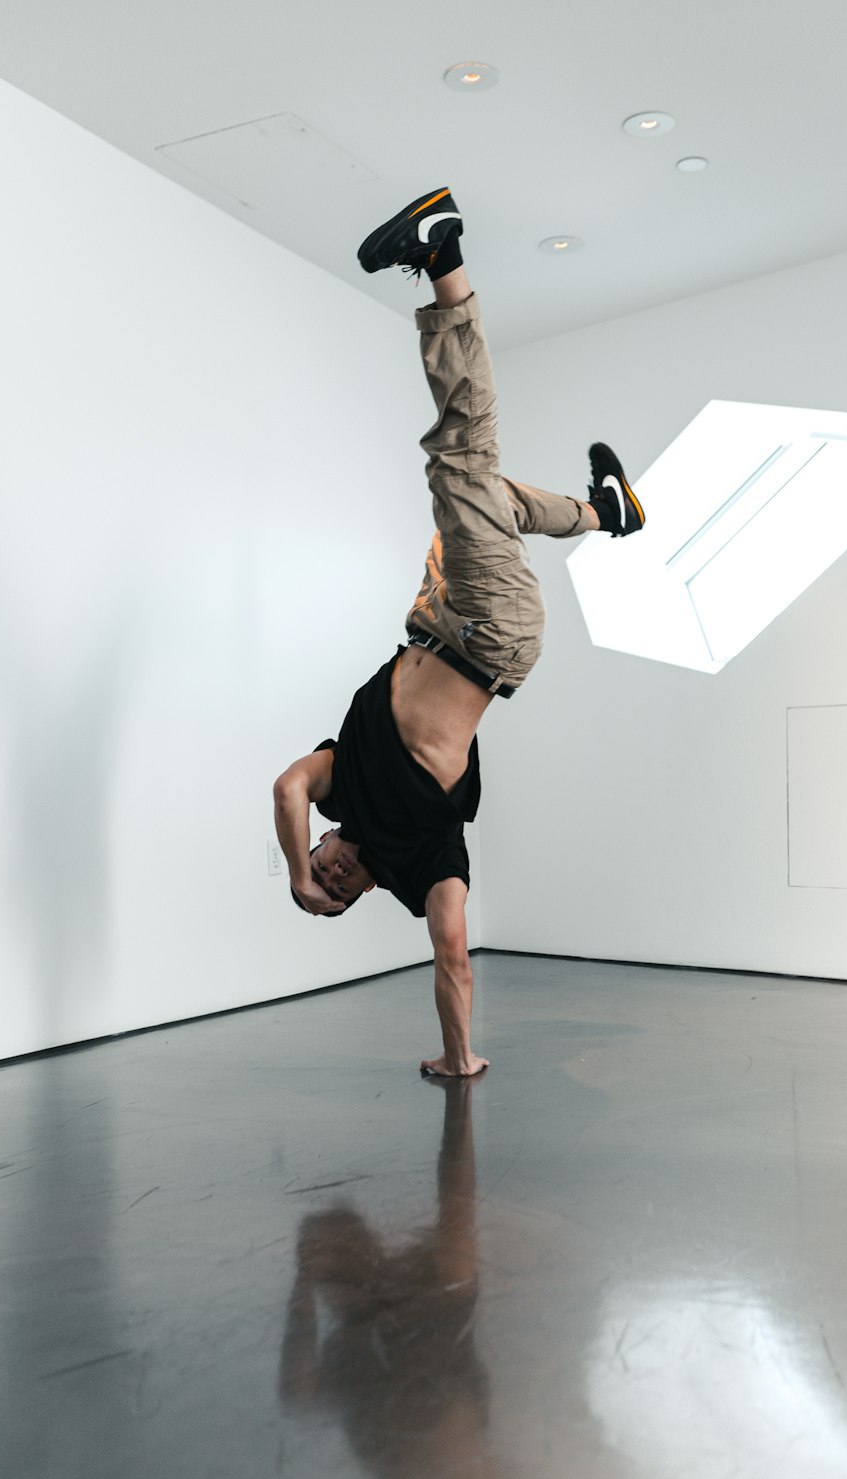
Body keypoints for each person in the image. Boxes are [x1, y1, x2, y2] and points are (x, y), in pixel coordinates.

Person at [273, 187, 644, 1077]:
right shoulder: (419, 861)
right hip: (488, 637)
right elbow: (452, 958)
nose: (331, 877)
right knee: (460, 461)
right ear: (363, 889)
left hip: (438, 610)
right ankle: (443, 257)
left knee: (486, 498)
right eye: (337, 894)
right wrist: (458, 1059)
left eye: (321, 871)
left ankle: (607, 513)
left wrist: (289, 876)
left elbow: (285, 787)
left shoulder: (331, 790)